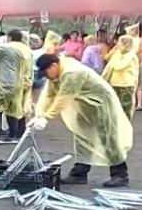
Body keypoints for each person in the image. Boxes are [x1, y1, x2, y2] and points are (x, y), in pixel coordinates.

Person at [30, 53, 133, 188]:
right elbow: (49, 95)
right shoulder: (56, 74)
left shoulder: (72, 72)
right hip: (83, 104)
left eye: (46, 72)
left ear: (54, 65)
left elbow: (63, 98)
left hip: (100, 103)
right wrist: (39, 115)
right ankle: (79, 173)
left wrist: (47, 118)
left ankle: (120, 173)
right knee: (81, 134)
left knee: (107, 137)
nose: (47, 77)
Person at [101, 35, 141, 119]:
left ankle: (125, 125)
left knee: (126, 107)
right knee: (115, 106)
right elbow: (108, 67)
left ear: (126, 44)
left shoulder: (131, 55)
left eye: (119, 42)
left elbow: (119, 66)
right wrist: (102, 79)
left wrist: (114, 57)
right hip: (115, 84)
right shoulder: (116, 54)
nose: (117, 44)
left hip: (126, 85)